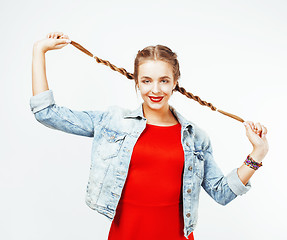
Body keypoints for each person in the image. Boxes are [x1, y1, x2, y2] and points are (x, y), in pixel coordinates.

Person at [30, 32, 269, 240]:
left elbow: (222, 193)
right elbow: (46, 114)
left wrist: (257, 154)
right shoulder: (112, 122)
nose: (155, 90)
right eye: (147, 81)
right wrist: (39, 51)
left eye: (164, 81)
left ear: (175, 82)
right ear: (136, 82)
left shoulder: (195, 138)